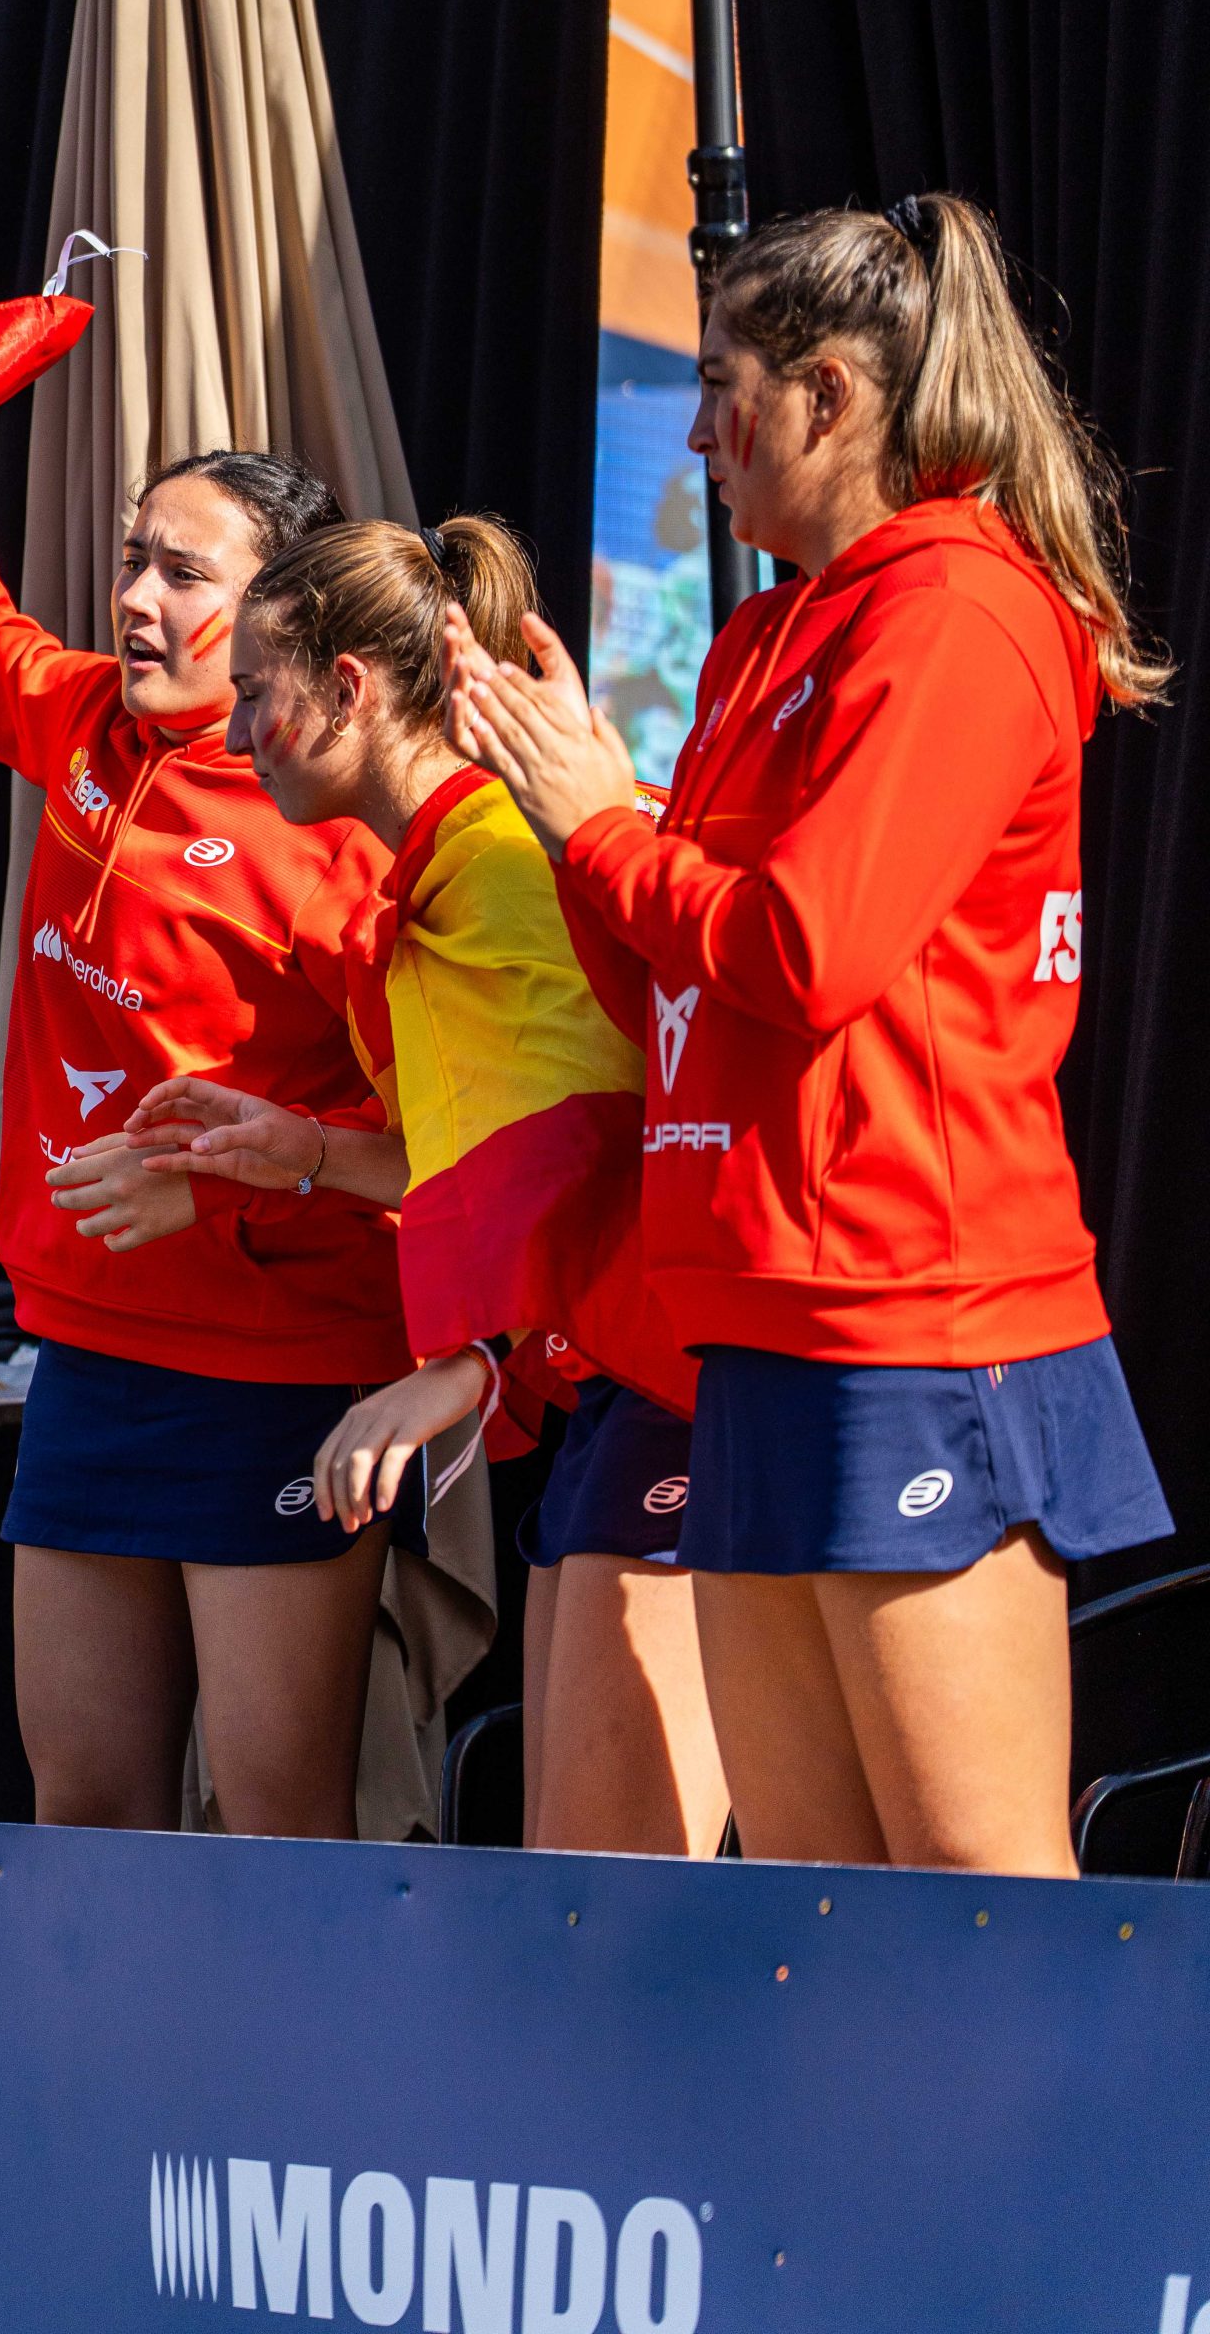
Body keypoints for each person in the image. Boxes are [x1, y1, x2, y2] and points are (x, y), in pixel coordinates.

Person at [448, 193, 1174, 1875]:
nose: (697, 433)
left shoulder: (961, 607)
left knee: (978, 1909)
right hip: (753, 1323)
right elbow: (675, 989)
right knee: (817, 1914)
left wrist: (605, 828)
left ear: (830, 396)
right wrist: (575, 823)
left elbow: (806, 949)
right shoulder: (765, 635)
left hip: (915, 1320)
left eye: (721, 385)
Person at [116, 515, 728, 1856]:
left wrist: (467, 1365)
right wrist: (303, 1151)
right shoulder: (451, 866)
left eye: (258, 694)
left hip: (678, 1382)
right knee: (586, 1882)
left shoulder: (504, 864)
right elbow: (497, 1141)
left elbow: (616, 1142)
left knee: (619, 1897)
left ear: (349, 689)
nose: (237, 732)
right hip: (618, 1385)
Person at [0, 450, 415, 1840]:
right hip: (88, 1355)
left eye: (183, 574)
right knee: (84, 1814)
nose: (135, 596)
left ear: (283, 618)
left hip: (281, 1369)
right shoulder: (88, 722)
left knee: (273, 1824)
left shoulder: (341, 835)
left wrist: (225, 1177)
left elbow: (447, 1139)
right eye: (134, 558)